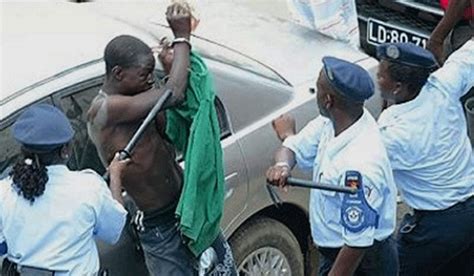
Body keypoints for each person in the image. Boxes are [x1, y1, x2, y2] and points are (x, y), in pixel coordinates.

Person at [87, 4, 235, 275]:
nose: (148, 81)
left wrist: (172, 64)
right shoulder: (105, 110)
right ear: (118, 73)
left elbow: (172, 119)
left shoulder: (138, 99)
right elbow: (173, 94)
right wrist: (182, 38)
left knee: (223, 270)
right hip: (159, 227)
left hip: (186, 207)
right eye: (143, 75)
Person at [267, 57, 398, 276]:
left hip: (360, 263)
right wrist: (282, 165)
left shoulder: (361, 165)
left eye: (317, 88)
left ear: (328, 100)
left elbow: (357, 244)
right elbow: (292, 148)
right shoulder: (336, 121)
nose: (314, 92)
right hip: (336, 249)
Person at [375, 41, 474, 275]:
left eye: (381, 76)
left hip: (436, 227)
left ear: (398, 87)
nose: (377, 78)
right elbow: (469, 55)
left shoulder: (394, 133)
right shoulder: (442, 86)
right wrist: (438, 38)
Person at [0, 104, 128, 275]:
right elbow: (114, 231)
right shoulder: (88, 187)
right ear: (65, 151)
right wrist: (116, 176)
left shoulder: (4, 193)